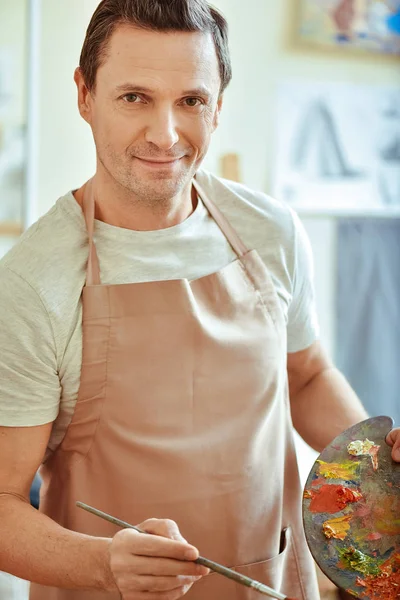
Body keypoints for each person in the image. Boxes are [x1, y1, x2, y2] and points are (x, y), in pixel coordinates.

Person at [1, 1, 400, 599]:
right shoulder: (33, 284)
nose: (165, 135)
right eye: (135, 97)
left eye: (191, 100)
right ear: (84, 95)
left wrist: (376, 465)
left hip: (273, 580)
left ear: (219, 104)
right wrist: (106, 563)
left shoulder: (271, 231)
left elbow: (308, 376)